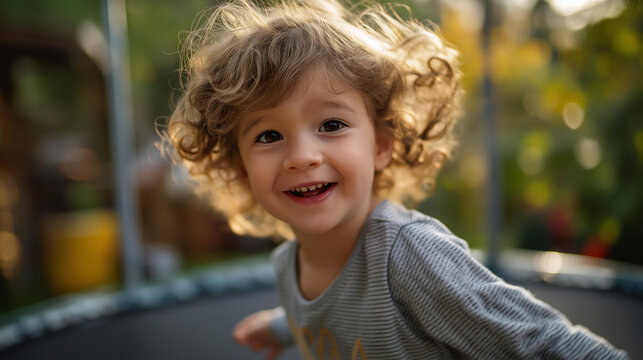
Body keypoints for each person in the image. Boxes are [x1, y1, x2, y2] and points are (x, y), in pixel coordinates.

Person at [163, 0, 628, 359]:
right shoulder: (289, 265)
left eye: (331, 125)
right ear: (241, 165)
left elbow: (544, 343)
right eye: (268, 135)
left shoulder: (408, 256)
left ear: (381, 145)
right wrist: (282, 325)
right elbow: (342, 313)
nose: (302, 156)